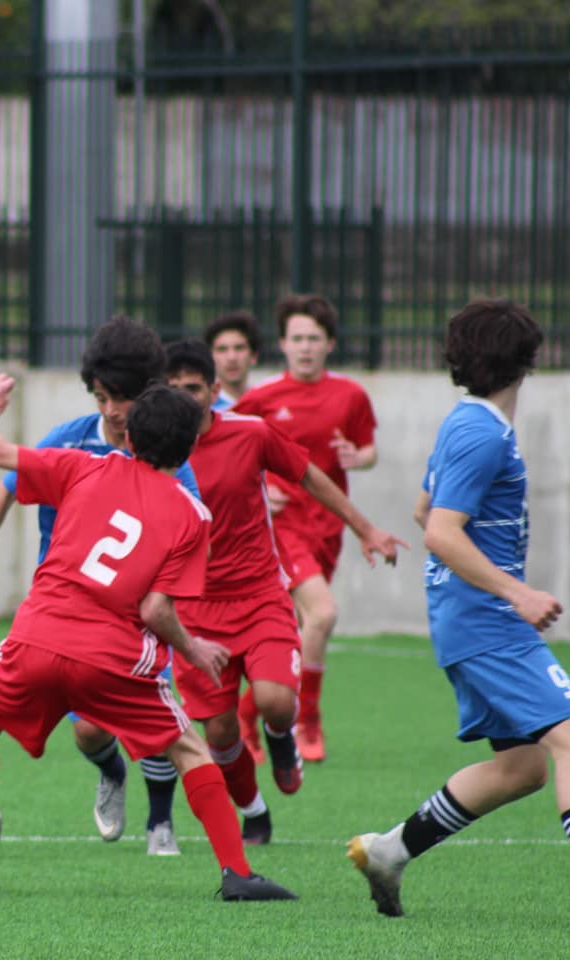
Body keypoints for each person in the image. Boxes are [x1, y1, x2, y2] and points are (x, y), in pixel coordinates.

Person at [347, 299, 570, 931]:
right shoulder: (483, 434)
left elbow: (425, 509)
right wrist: (517, 593)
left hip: (467, 618)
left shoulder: (465, 423)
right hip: (486, 622)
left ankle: (391, 851)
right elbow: (441, 531)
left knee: (521, 768)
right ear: (526, 362)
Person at [0, 376, 297, 903]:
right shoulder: (194, 515)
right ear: (190, 448)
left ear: (129, 438)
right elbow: (155, 609)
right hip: (115, 659)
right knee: (189, 750)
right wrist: (193, 649)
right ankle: (237, 873)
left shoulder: (83, 465)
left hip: (39, 636)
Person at [0, 316, 191, 855]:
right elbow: (5, 489)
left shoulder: (169, 457)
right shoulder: (72, 440)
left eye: (123, 398)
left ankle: (161, 823)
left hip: (133, 618)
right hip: (65, 616)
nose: (113, 410)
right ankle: (111, 773)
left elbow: (189, 531)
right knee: (89, 732)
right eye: (102, 397)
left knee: (162, 729)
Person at [165, 339, 407, 844]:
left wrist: (365, 529)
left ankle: (282, 738)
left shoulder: (250, 433)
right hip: (194, 609)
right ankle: (253, 810)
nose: (184, 398)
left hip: (259, 596)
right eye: (174, 390)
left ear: (214, 389)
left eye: (193, 388)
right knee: (220, 732)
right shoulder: (156, 450)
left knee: (275, 701)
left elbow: (310, 476)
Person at [234, 293, 379, 762]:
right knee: (322, 614)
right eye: (296, 338)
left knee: (299, 631)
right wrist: (260, 489)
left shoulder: (351, 395)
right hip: (281, 527)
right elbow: (229, 451)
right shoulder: (262, 399)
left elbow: (368, 449)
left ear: (330, 344)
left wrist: (359, 457)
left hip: (327, 528)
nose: (305, 347)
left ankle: (246, 713)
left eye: (314, 339)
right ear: (282, 344)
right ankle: (306, 720)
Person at [204, 310, 261, 411]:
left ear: (254, 356)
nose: (231, 357)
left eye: (239, 348)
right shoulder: (204, 408)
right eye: (222, 349)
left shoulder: (265, 402)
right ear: (210, 357)